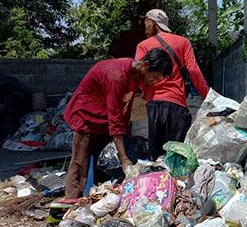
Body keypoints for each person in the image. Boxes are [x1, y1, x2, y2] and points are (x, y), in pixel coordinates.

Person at [63, 48, 173, 199]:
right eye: (154, 77)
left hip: (104, 120)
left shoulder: (135, 75)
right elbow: (115, 118)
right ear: (145, 65)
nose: (153, 82)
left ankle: (96, 202)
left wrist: (126, 134)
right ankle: (70, 206)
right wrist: (124, 159)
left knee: (104, 164)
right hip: (86, 117)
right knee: (80, 164)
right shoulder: (118, 76)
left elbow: (124, 108)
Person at [135, 9, 210, 160]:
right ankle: (177, 183)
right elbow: (193, 71)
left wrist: (145, 92)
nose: (145, 28)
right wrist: (208, 97)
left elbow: (139, 74)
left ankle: (157, 181)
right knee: (176, 156)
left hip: (154, 104)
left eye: (146, 23)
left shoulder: (143, 45)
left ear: (154, 23)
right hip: (177, 104)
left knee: (156, 157)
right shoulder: (183, 42)